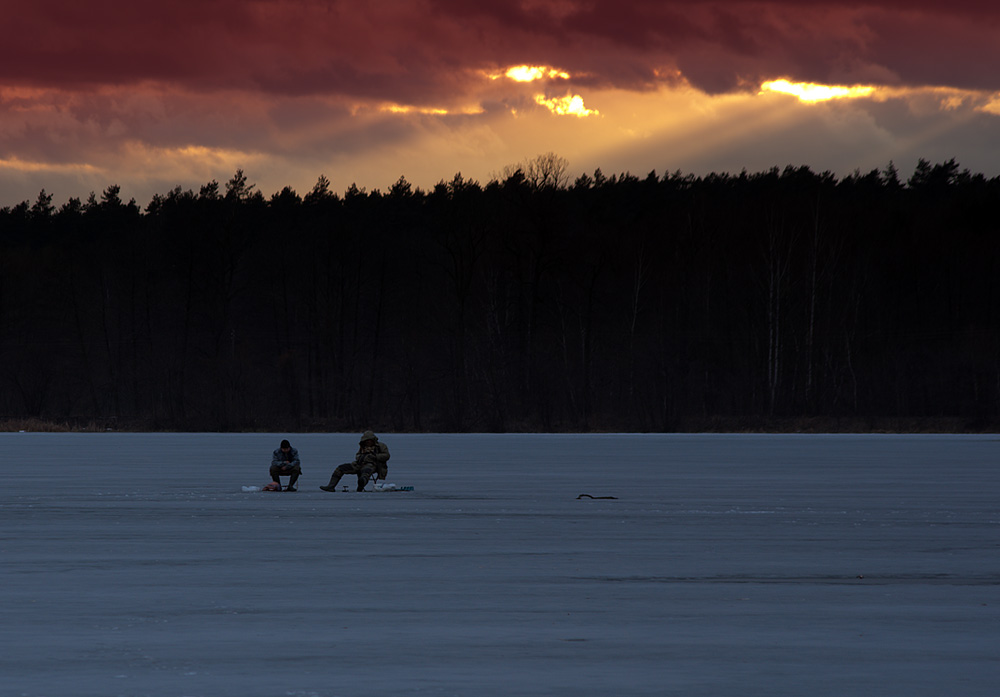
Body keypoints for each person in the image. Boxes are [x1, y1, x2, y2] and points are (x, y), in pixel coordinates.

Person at [320, 430, 390, 492]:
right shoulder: (362, 447)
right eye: (366, 440)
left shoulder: (381, 446)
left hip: (372, 465)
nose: (368, 442)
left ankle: (361, 485)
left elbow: (386, 455)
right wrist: (360, 457)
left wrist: (374, 457)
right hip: (358, 464)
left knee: (365, 473)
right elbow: (357, 455)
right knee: (340, 468)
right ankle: (331, 486)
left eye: (370, 440)